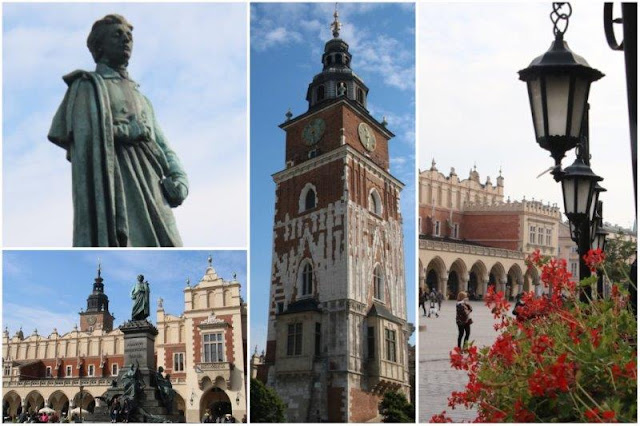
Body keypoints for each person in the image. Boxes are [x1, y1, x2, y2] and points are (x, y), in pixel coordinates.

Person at [48, 14, 188, 247]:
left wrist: (179, 176)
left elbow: (163, 144)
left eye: (129, 36)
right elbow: (83, 137)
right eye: (117, 35)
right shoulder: (87, 86)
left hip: (153, 185)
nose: (126, 40)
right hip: (115, 184)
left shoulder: (142, 97)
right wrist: (127, 130)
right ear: (99, 46)